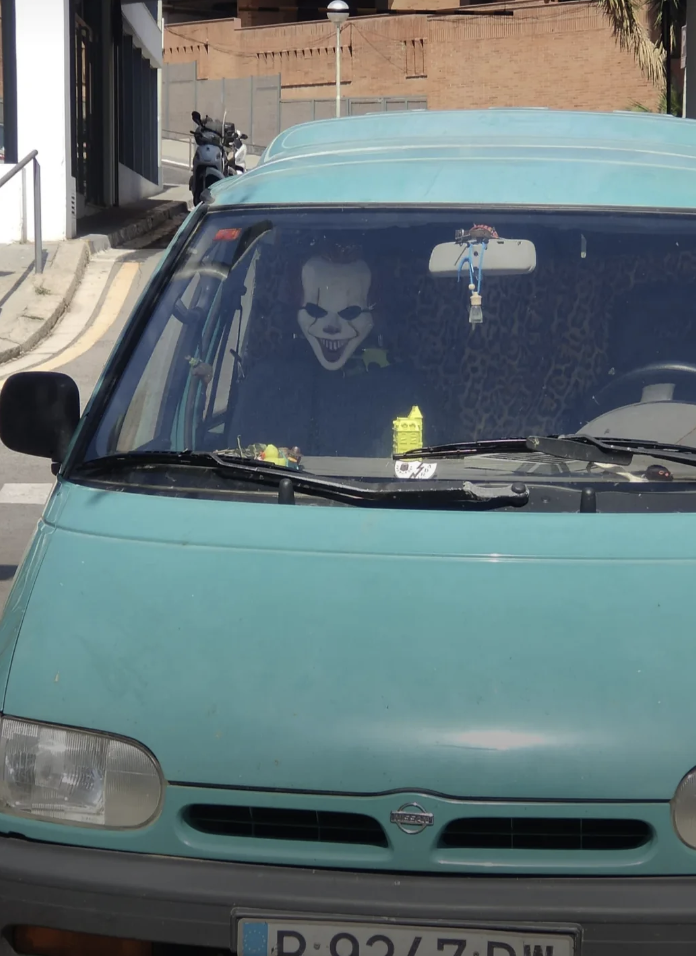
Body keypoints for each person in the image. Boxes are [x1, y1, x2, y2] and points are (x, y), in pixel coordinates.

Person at [228, 248, 433, 459]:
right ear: (294, 306)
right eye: (316, 311)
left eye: (350, 312)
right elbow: (239, 465)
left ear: (377, 313)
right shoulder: (266, 386)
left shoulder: (401, 392)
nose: (332, 327)